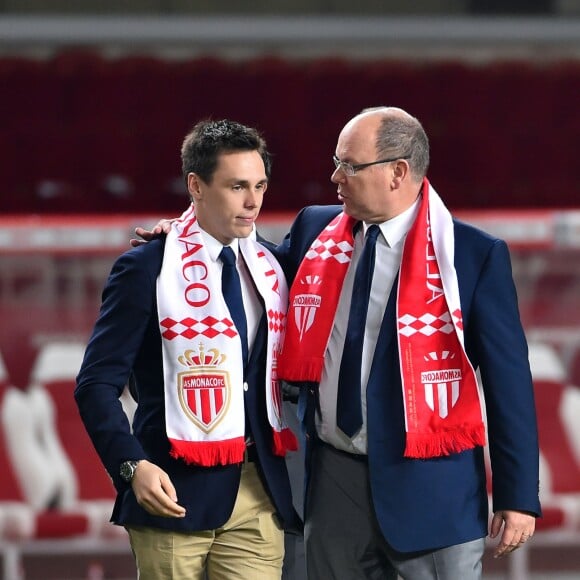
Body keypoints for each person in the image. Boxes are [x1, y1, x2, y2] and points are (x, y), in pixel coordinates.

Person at [136, 106, 541, 580]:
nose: (335, 177)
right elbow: (252, 267)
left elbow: (507, 382)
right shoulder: (313, 230)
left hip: (432, 488)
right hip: (334, 478)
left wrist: (517, 496)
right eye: (336, 162)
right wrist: (187, 234)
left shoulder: (472, 256)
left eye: (349, 165)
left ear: (397, 172)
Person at [75, 119, 301, 580]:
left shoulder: (273, 266)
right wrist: (131, 466)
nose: (253, 201)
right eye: (237, 186)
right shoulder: (146, 268)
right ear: (195, 185)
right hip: (172, 491)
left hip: (259, 492)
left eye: (260, 185)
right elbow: (96, 385)